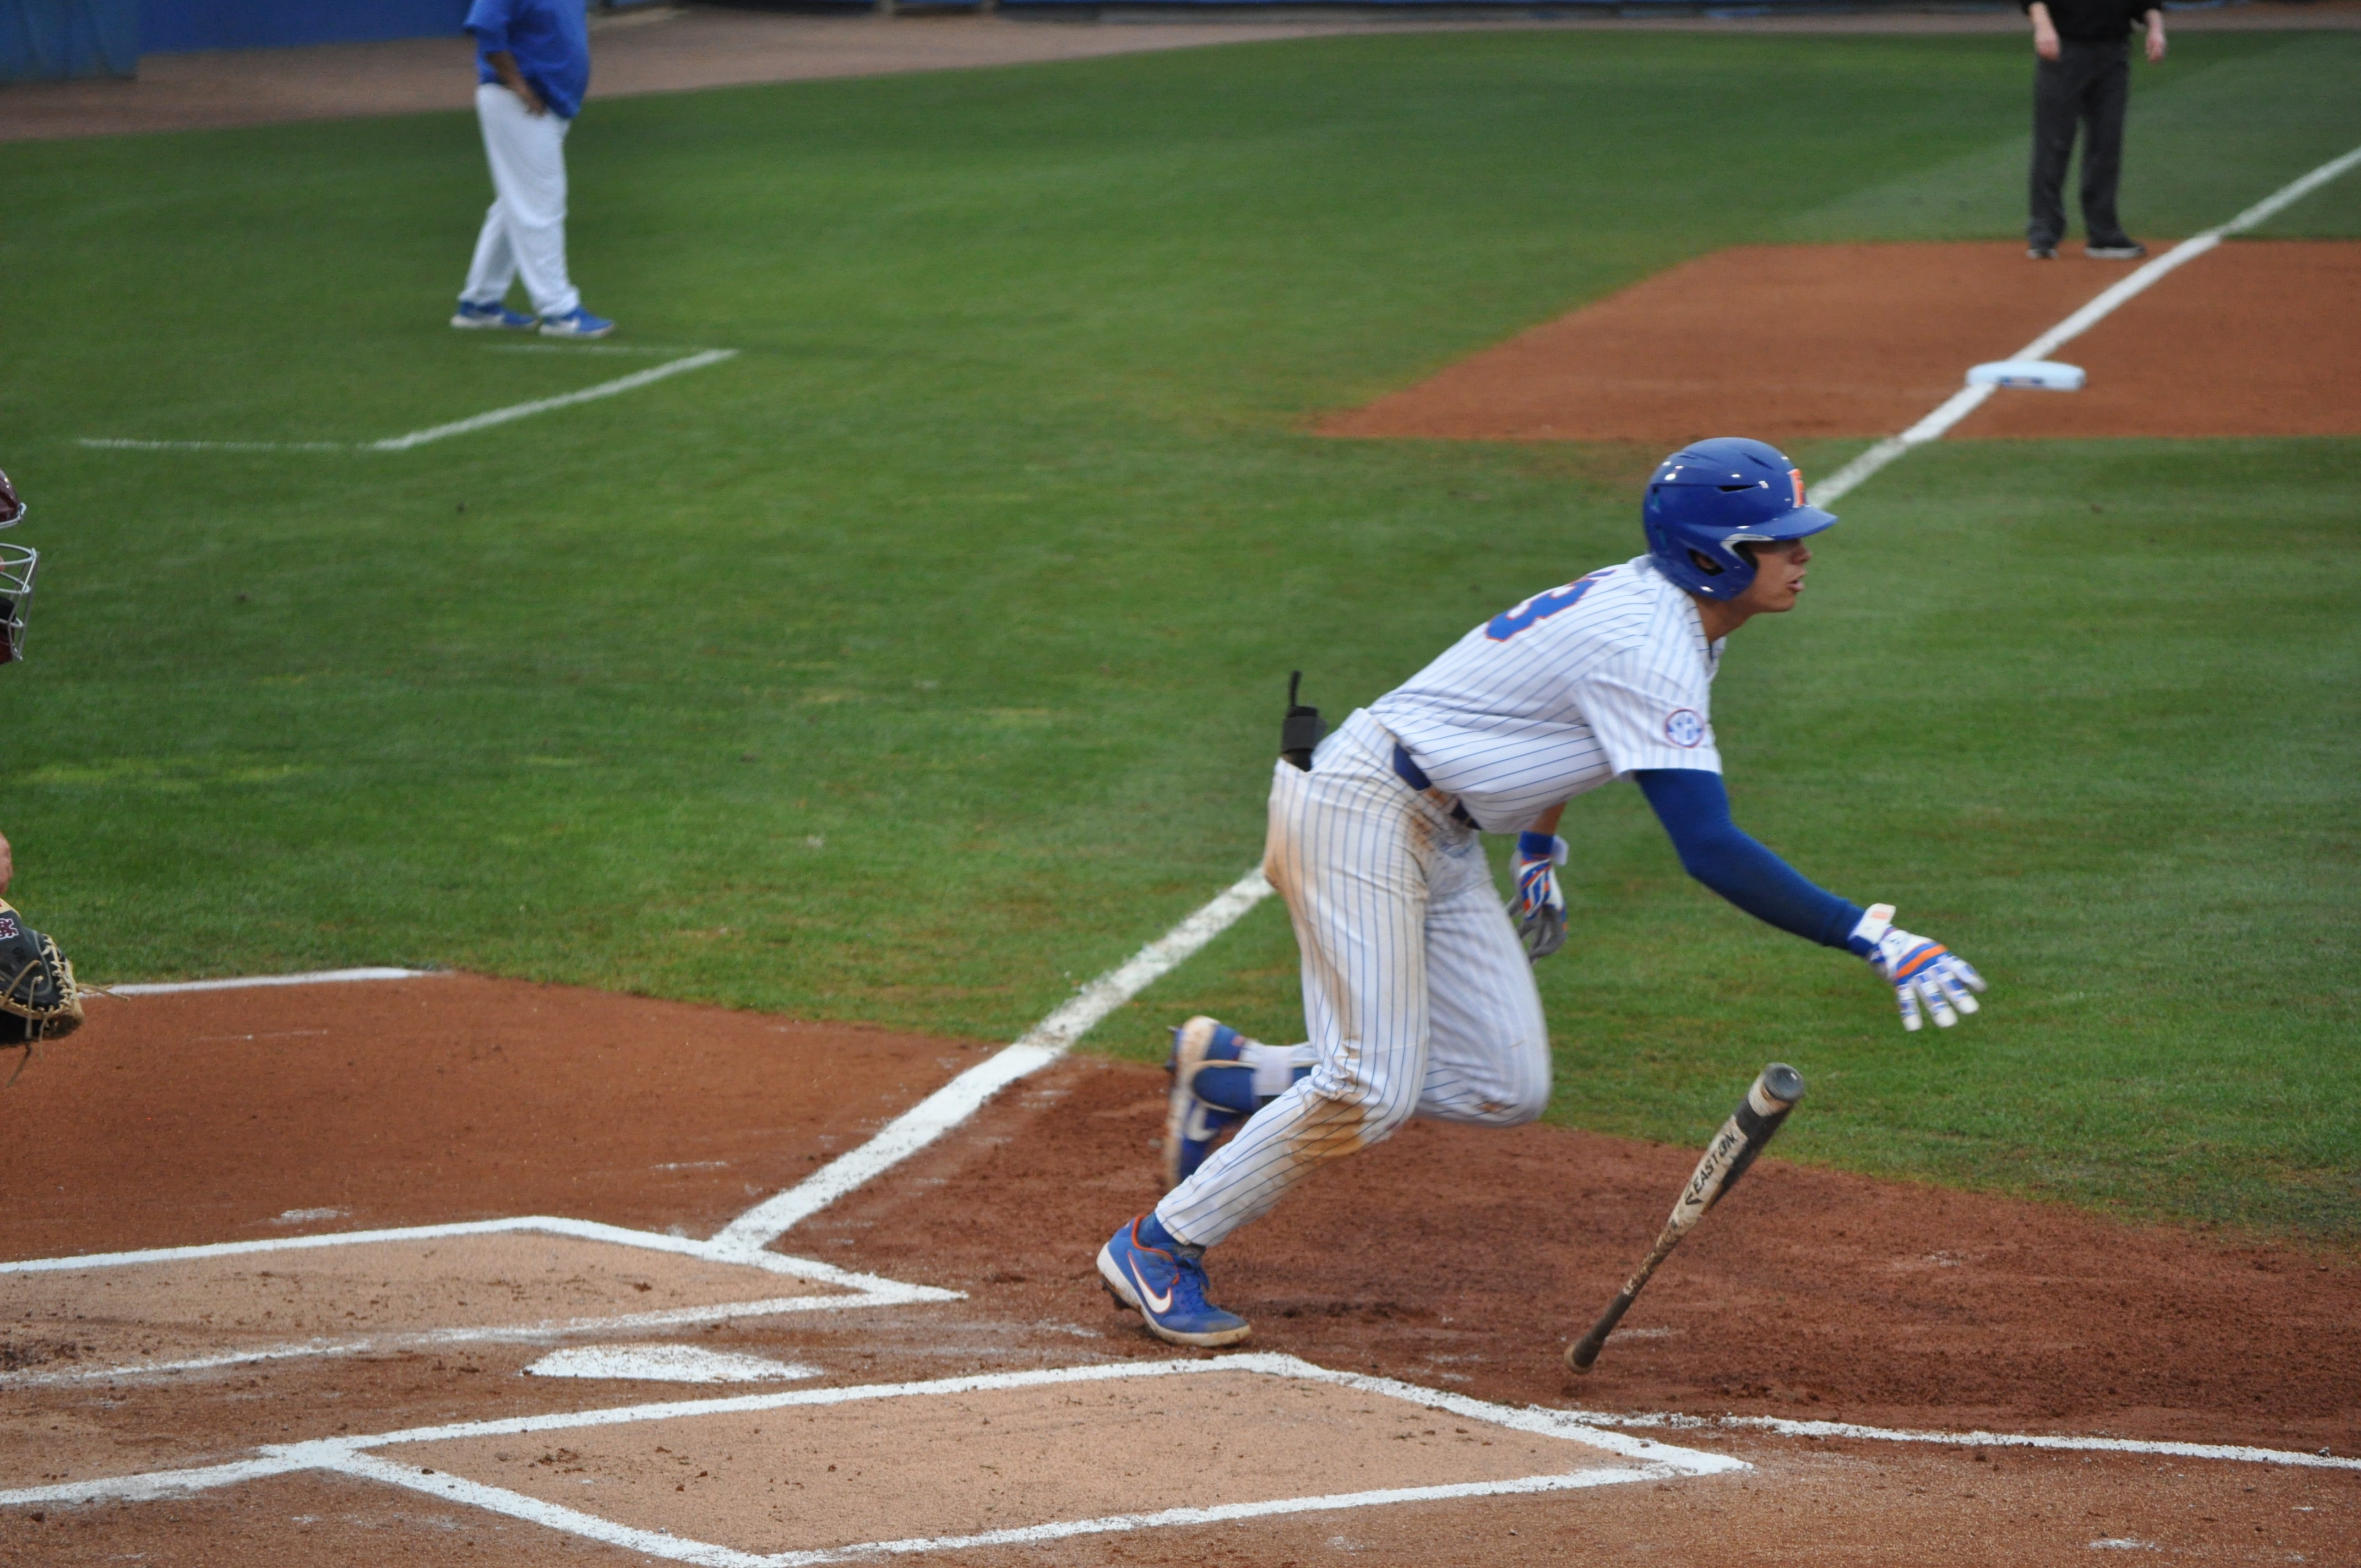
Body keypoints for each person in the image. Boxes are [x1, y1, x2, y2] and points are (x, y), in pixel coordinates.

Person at [1097, 437, 1990, 1348]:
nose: (1802, 554)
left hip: (1435, 826)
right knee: (1368, 1086)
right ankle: (1159, 1244)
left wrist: (1535, 842)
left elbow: (1556, 721)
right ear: (1714, 557)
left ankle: (1233, 1075)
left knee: (1503, 1086)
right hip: (1361, 812)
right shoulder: (1647, 644)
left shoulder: (1678, 621)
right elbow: (1710, 849)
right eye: (1778, 540)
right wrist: (1869, 935)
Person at [451, 0, 613, 338]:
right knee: (540, 205)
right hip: (519, 104)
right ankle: (559, 311)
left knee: (514, 204)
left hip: (548, 105)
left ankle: (481, 302)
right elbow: (486, 25)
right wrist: (517, 83)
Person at [2023, 0, 2166, 261]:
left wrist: (2156, 28)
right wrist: (2043, 26)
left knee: (2106, 142)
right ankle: (2044, 231)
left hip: (2114, 50)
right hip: (2064, 45)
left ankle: (2104, 233)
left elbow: (2147, 3)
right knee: (2054, 142)